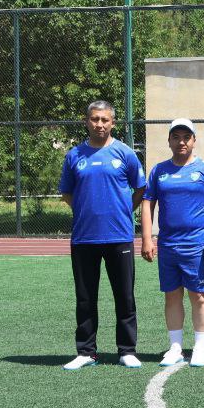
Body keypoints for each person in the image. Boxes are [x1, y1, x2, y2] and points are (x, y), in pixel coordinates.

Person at [58, 100, 146, 370]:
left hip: (119, 236)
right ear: (86, 122)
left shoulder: (125, 153)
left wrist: (123, 211)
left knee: (125, 296)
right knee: (85, 298)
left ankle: (127, 350)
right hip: (84, 238)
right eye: (94, 119)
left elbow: (140, 188)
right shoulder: (74, 155)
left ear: (113, 123)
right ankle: (86, 352)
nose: (99, 124)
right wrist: (86, 210)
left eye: (104, 120)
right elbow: (66, 193)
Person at [140, 119, 204, 368]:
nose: (181, 142)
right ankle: (175, 347)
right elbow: (148, 203)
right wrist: (147, 238)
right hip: (167, 245)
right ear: (169, 141)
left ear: (194, 140)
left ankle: (199, 347)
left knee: (198, 296)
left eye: (186, 137)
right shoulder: (159, 170)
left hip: (196, 245)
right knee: (172, 296)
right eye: (176, 137)